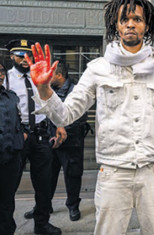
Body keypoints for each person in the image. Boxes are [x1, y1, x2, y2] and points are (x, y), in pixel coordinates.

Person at [24, 0, 154, 234]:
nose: (131, 24)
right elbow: (66, 114)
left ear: (146, 26)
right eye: (124, 19)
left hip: (152, 173)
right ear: (116, 26)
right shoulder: (98, 68)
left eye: (137, 19)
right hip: (113, 173)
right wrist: (44, 90)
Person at [5, 39, 61, 235]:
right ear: (11, 56)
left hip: (40, 136)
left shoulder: (40, 77)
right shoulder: (6, 79)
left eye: (26, 56)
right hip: (17, 138)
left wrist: (58, 125)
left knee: (44, 184)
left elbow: (51, 103)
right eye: (19, 55)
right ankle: (6, 226)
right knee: (8, 186)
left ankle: (42, 224)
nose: (23, 59)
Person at [25, 62, 88, 221]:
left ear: (59, 75)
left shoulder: (76, 91)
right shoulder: (48, 90)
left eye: (51, 75)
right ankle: (44, 206)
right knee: (46, 176)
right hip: (50, 140)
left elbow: (81, 116)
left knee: (72, 175)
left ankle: (73, 206)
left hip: (71, 142)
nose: (47, 78)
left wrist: (65, 128)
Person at [0, 63, 25, 235]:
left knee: (7, 201)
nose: (0, 75)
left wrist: (22, 135)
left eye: (1, 71)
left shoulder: (11, 96)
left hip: (10, 157)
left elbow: (19, 119)